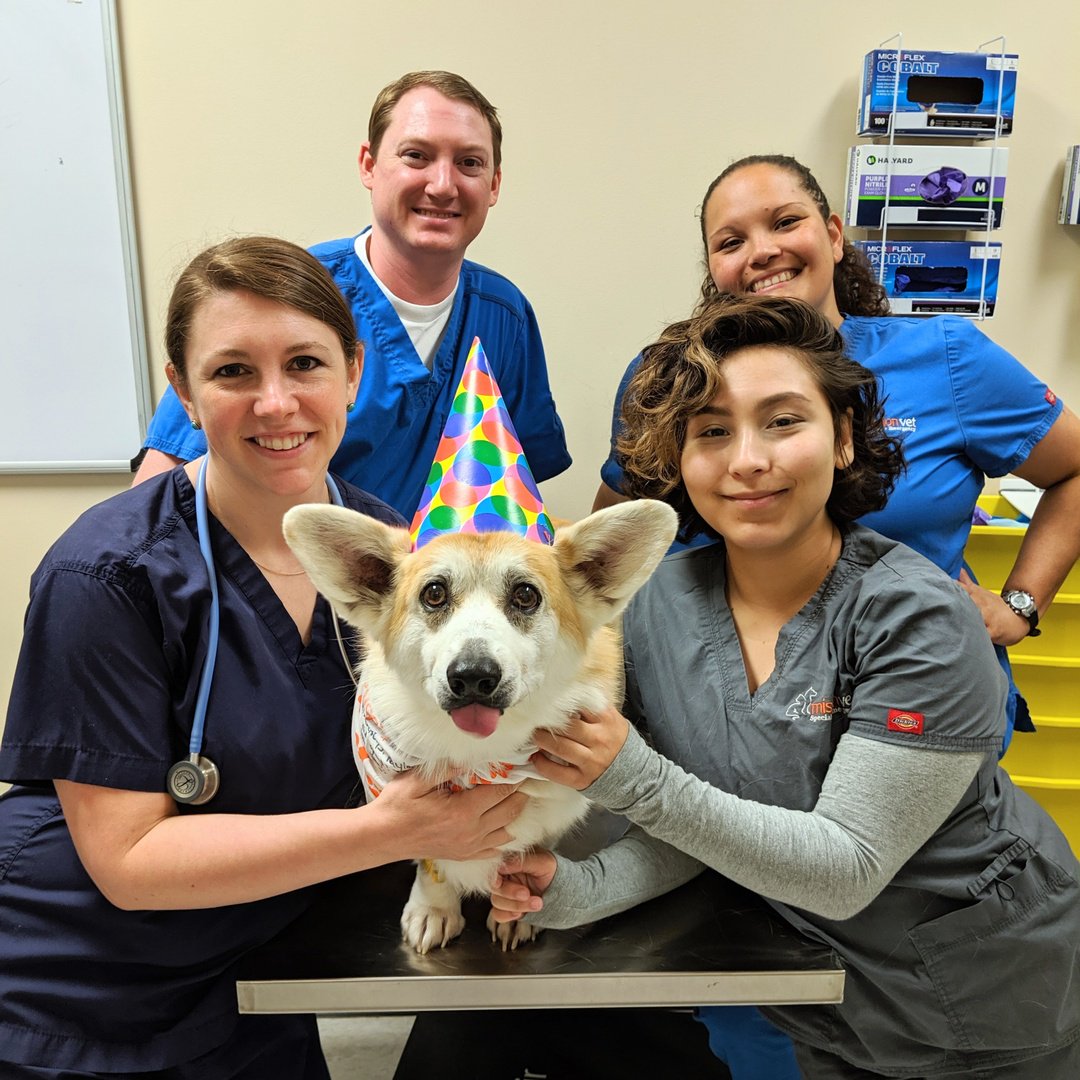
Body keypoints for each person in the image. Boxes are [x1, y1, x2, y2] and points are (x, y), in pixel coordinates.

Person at [492, 294, 1080, 1078]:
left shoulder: (916, 616)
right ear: (680, 460)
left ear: (843, 439)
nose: (747, 460)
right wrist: (573, 890)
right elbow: (707, 829)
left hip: (984, 996)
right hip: (820, 1003)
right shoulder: (655, 607)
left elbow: (842, 868)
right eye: (711, 431)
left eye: (782, 420)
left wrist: (626, 773)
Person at [0, 237, 528, 1079]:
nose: (276, 403)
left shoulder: (391, 554)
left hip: (260, 981)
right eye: (233, 372)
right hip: (81, 990)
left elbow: (440, 762)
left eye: (306, 363)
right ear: (181, 391)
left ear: (354, 372)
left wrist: (497, 855)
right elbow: (130, 865)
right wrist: (389, 832)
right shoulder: (105, 574)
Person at [594, 154, 1080, 750]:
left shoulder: (945, 358)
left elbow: (1074, 470)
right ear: (713, 268)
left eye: (784, 222)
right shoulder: (672, 378)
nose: (762, 251)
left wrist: (1020, 606)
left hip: (912, 697)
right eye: (730, 241)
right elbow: (618, 531)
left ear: (832, 233)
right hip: (716, 716)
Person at [132, 71, 571, 519]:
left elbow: (514, 488)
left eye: (470, 163)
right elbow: (156, 494)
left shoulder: (503, 315)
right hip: (276, 575)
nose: (442, 184)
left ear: (494, 184)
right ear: (368, 165)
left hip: (423, 584)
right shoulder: (289, 295)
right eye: (416, 156)